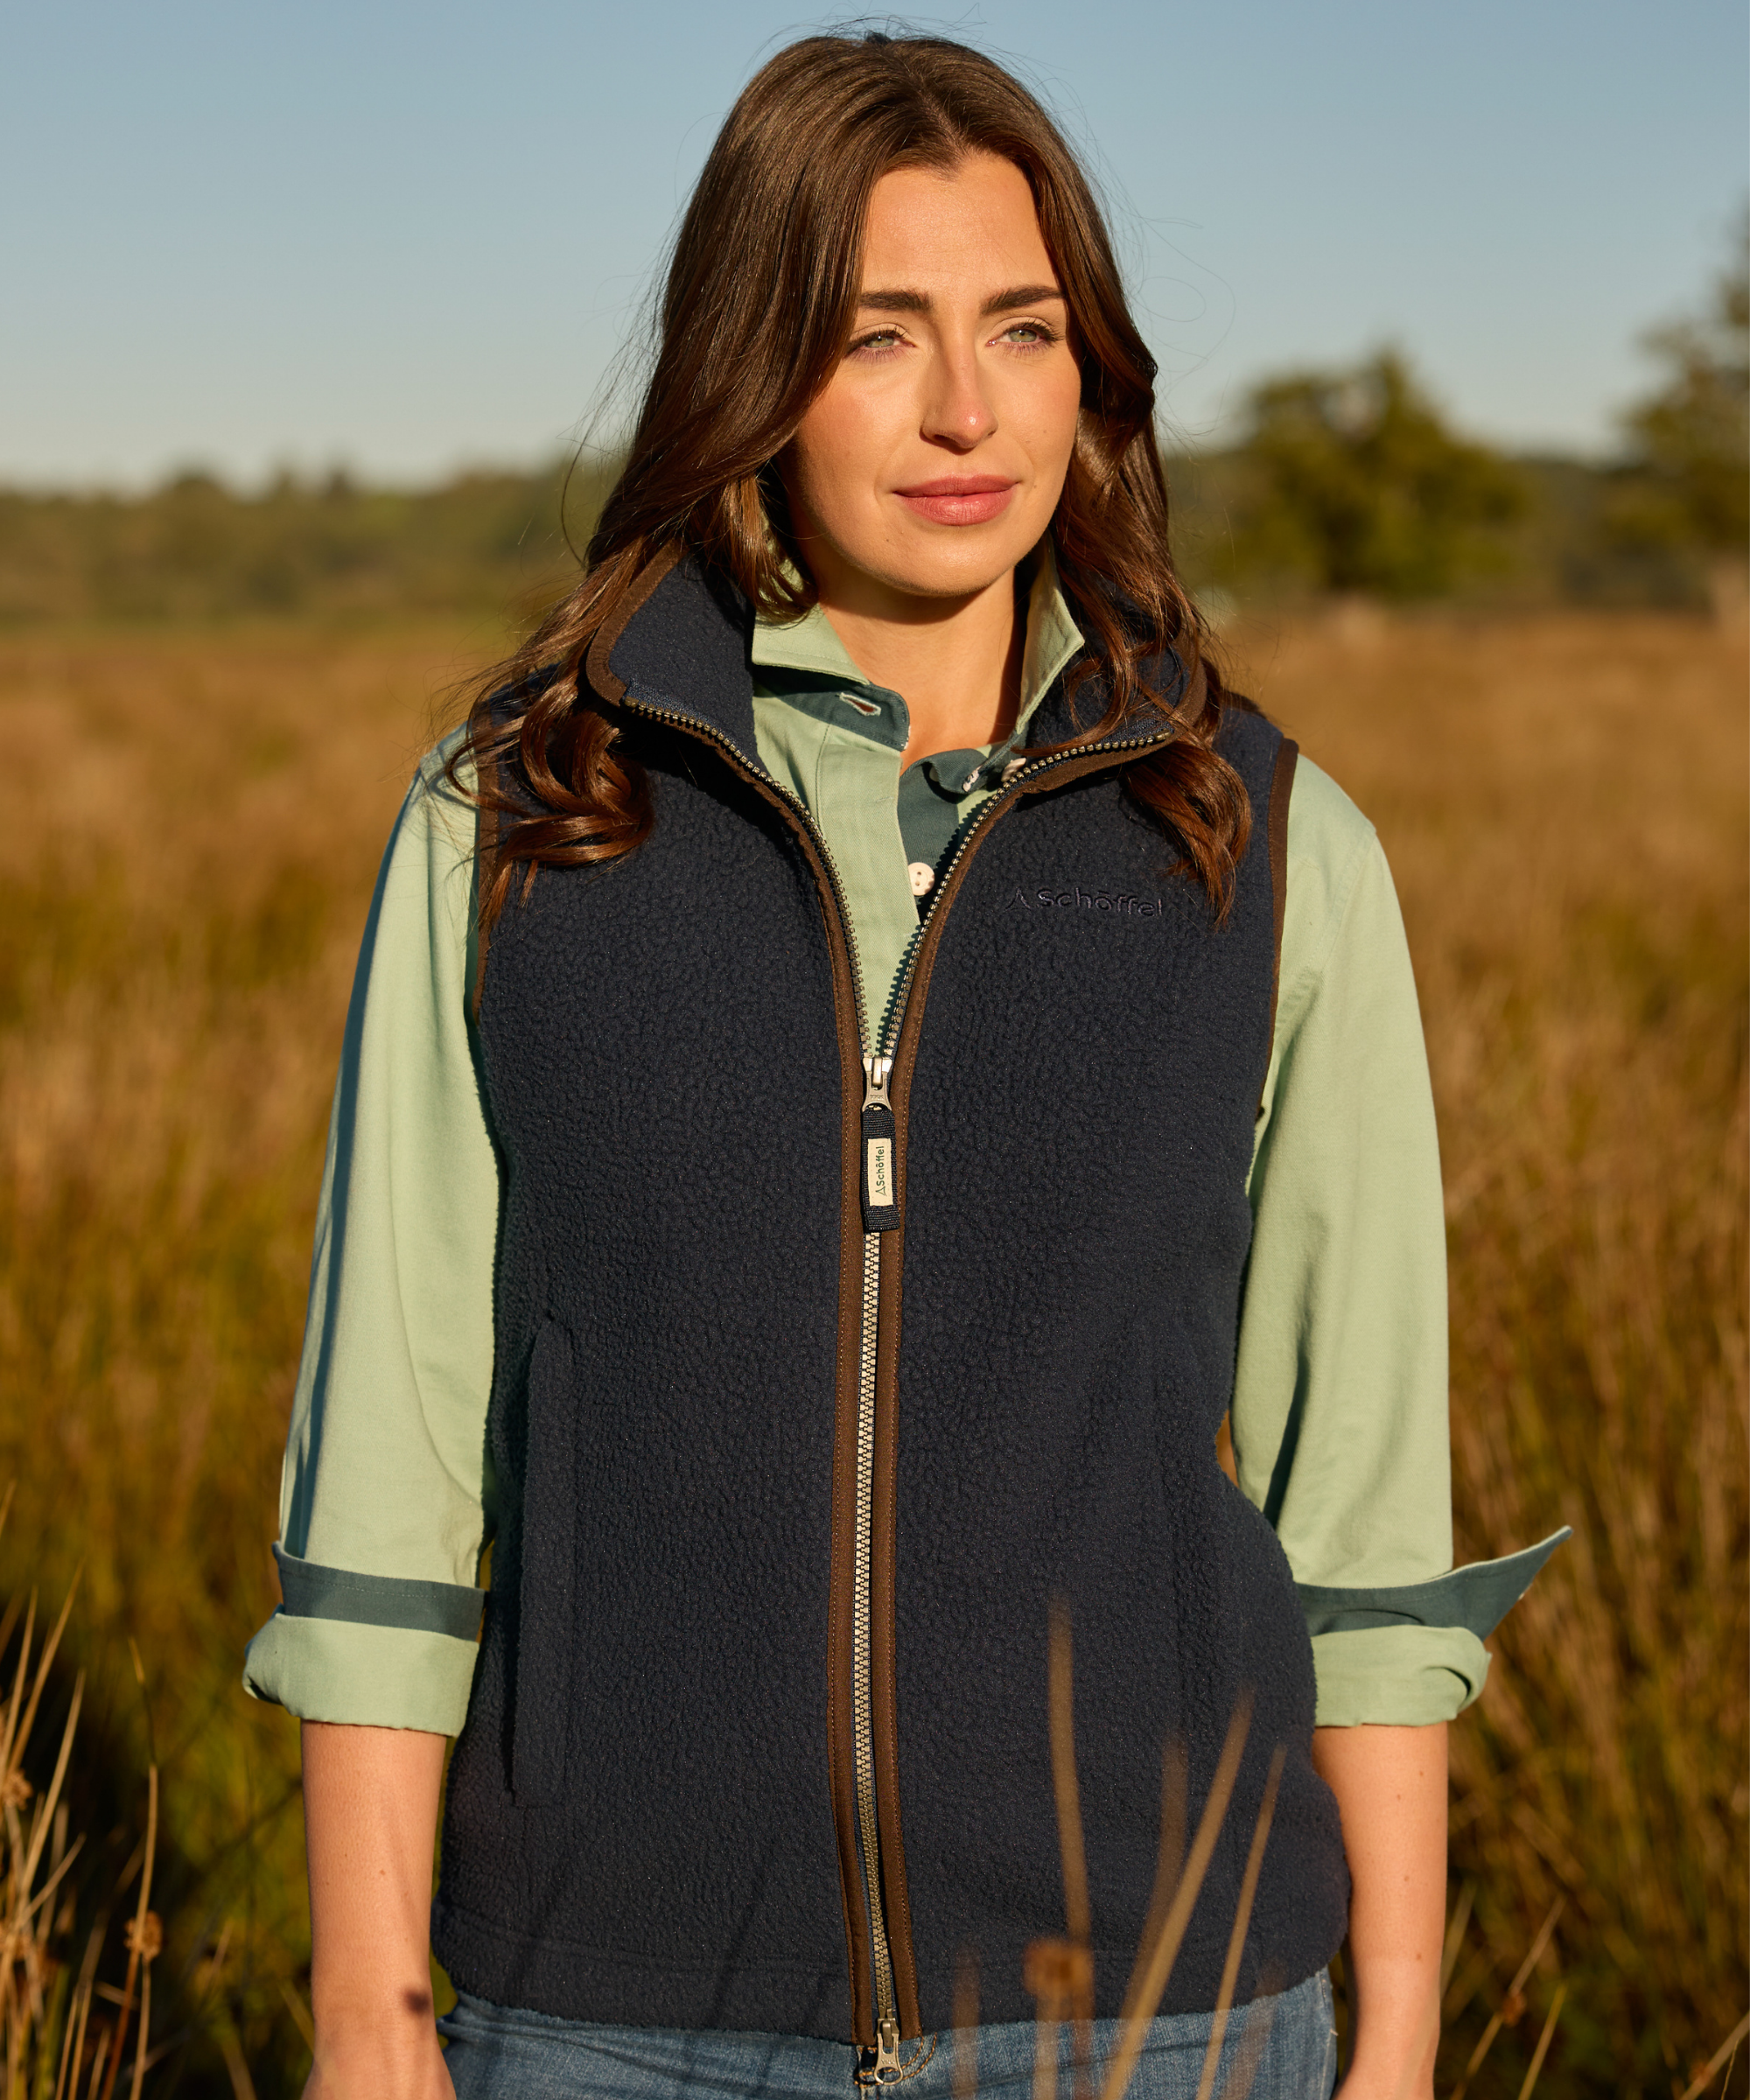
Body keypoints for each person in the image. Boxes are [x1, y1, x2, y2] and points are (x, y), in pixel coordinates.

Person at [244, 31, 1562, 2100]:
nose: (968, 410)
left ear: (1090, 372)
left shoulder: (1269, 842)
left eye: (1023, 330)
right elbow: (386, 1496)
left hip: (1168, 2017)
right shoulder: (515, 823)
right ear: (748, 371)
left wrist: (1389, 2042)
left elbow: (1367, 1529)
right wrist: (366, 2018)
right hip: (603, 2017)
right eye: (878, 338)